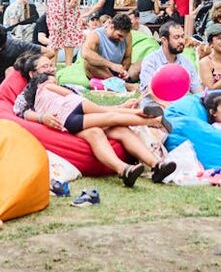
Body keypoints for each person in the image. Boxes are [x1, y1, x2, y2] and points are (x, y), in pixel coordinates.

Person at [15, 69, 176, 186]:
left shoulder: (45, 95)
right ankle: (150, 121)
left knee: (116, 126)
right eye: (47, 68)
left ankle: (155, 166)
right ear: (33, 74)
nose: (52, 69)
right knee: (110, 118)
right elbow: (22, 111)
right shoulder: (34, 92)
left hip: (70, 121)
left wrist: (123, 106)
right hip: (72, 115)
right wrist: (42, 118)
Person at [139, 21, 202, 105]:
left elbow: (197, 90)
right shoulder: (151, 60)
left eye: (182, 36)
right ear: (164, 40)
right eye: (176, 37)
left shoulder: (186, 62)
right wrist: (167, 105)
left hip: (179, 108)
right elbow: (149, 90)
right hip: (156, 107)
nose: (181, 41)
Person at [82, 12, 135, 83]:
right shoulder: (96, 35)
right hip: (102, 71)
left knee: (141, 64)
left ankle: (119, 82)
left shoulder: (127, 36)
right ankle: (119, 84)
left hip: (119, 70)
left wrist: (123, 71)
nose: (122, 39)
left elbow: (127, 57)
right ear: (111, 27)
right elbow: (85, 53)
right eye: (119, 35)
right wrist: (111, 65)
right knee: (88, 64)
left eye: (123, 37)